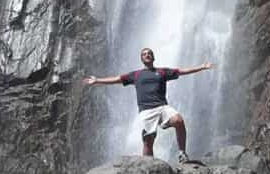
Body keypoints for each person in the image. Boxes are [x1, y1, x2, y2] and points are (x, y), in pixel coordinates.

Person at [82, 47, 213, 163]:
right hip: (146, 111)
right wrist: (97, 80)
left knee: (178, 120)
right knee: (148, 141)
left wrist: (201, 67)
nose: (147, 55)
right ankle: (147, 166)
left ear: (153, 57)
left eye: (149, 53)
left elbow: (181, 71)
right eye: (144, 54)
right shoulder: (135, 75)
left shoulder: (162, 72)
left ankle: (182, 154)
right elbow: (117, 79)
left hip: (163, 107)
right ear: (141, 59)